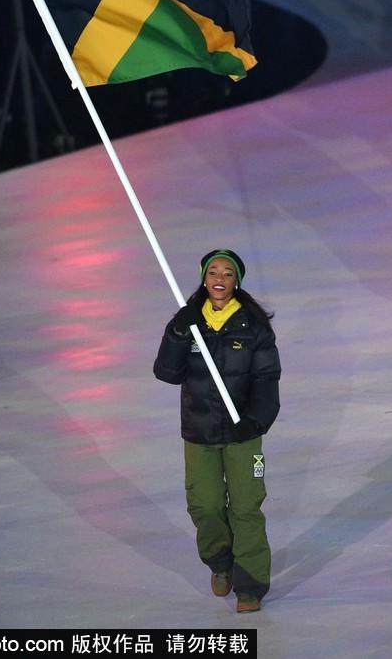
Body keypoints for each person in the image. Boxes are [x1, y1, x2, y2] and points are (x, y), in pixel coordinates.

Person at [154, 249, 281, 613]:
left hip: (244, 434)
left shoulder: (253, 327)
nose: (220, 279)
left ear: (237, 280)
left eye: (228, 273)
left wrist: (254, 421)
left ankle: (250, 586)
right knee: (205, 506)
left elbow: (267, 379)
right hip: (200, 432)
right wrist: (179, 330)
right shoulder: (189, 321)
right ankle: (220, 561)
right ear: (204, 278)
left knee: (246, 508)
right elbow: (167, 373)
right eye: (213, 272)